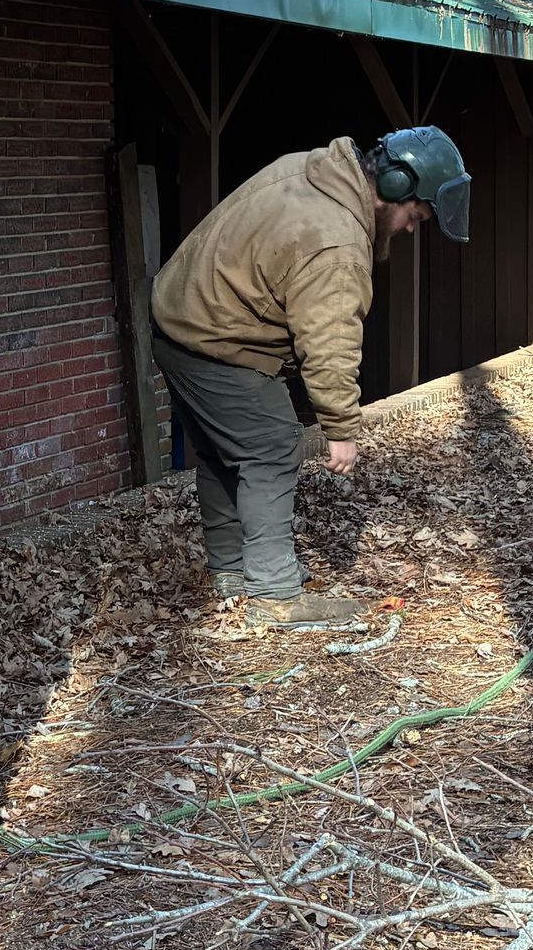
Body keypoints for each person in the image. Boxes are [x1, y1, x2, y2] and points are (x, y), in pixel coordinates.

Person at [150, 126, 470, 632]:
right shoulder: (338, 242)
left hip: (178, 322)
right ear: (392, 186)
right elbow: (329, 340)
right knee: (273, 445)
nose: (412, 228)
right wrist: (341, 429)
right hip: (217, 340)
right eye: (415, 215)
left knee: (221, 447)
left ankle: (231, 572)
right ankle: (273, 593)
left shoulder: (312, 167)